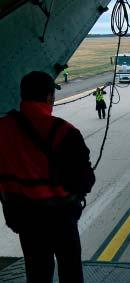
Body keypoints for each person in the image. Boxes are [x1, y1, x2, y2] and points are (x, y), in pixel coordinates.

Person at [0, 71, 95, 282]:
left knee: (37, 271)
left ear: (22, 96)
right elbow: (85, 181)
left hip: (23, 218)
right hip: (60, 218)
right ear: (49, 98)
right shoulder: (65, 132)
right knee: (70, 269)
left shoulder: (2, 129)